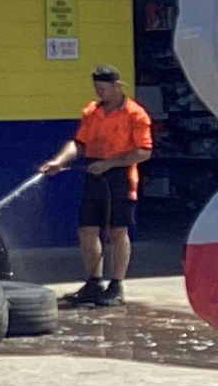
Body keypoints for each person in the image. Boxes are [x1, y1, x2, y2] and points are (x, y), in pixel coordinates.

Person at [39, 64, 152, 307]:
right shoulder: (92, 112)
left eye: (104, 88)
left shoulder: (135, 114)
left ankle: (117, 285)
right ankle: (93, 282)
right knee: (87, 229)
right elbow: (79, 143)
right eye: (97, 88)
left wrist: (110, 164)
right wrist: (58, 162)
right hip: (94, 173)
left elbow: (143, 151)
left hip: (121, 176)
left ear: (117, 86)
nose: (100, 93)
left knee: (117, 231)